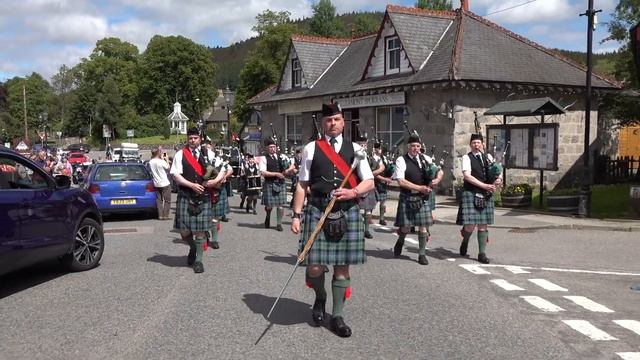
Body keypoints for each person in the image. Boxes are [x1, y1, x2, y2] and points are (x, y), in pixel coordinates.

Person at [291, 102, 374, 338]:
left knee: (342, 269)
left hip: (347, 209)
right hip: (317, 208)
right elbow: (301, 184)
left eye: (337, 119)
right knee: (315, 267)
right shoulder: (311, 148)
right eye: (328, 120)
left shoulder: (356, 149)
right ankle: (320, 297)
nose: (333, 123)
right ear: (322, 122)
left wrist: (354, 192)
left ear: (343, 121)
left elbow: (369, 181)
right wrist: (296, 215)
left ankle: (337, 316)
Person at [170, 128, 226, 273]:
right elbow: (176, 175)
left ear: (200, 139)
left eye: (195, 138)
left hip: (203, 197)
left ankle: (199, 261)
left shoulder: (208, 154)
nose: (193, 140)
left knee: (200, 231)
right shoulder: (180, 154)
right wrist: (191, 185)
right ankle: (193, 248)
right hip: (186, 195)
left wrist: (214, 183)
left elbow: (223, 169)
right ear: (187, 139)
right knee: (184, 231)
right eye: (190, 138)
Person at [392, 133, 443, 265]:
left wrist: (437, 179)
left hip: (422, 197)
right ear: (408, 147)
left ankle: (421, 254)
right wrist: (420, 187)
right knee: (406, 228)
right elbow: (401, 181)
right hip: (408, 196)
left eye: (418, 146)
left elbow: (440, 171)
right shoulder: (401, 160)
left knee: (423, 227)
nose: (416, 148)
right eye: (413, 146)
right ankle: (400, 241)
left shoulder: (425, 158)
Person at [458, 133, 502, 264]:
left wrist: (498, 179)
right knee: (470, 226)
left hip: (486, 194)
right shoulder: (467, 157)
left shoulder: (488, 157)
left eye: (478, 143)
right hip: (471, 192)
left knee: (483, 225)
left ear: (482, 144)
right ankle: (465, 240)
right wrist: (485, 185)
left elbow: (497, 171)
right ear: (470, 145)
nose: (476, 145)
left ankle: (482, 253)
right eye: (473, 143)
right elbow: (467, 176)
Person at [260, 137, 294, 231]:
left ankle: (279, 224)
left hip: (280, 183)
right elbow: (263, 172)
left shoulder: (281, 156)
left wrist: (288, 170)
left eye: (274, 147)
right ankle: (268, 215)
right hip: (270, 183)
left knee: (280, 206)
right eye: (270, 147)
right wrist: (275, 174)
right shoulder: (264, 158)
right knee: (269, 206)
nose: (272, 149)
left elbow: (292, 165)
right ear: (267, 148)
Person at [205, 140, 233, 249]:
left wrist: (223, 177)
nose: (206, 149)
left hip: (218, 190)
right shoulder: (200, 159)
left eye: (208, 148)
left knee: (215, 217)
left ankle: (215, 239)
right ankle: (205, 233)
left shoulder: (218, 159)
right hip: (204, 190)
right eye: (204, 148)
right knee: (205, 216)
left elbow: (229, 169)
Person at [355, 131, 383, 239]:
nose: (363, 146)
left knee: (367, 210)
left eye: (364, 144)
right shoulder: (354, 154)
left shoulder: (370, 156)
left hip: (368, 184)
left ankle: (366, 230)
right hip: (358, 185)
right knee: (357, 209)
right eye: (360, 143)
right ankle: (358, 229)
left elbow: (379, 167)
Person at [149, 146, 172, 220]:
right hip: (164, 183)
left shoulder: (150, 162)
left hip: (156, 183)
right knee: (167, 200)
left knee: (159, 200)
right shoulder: (161, 161)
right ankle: (166, 215)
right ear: (158, 153)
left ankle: (160, 215)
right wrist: (166, 159)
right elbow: (168, 168)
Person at [372, 143, 393, 225]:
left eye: (381, 148)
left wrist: (390, 170)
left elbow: (388, 170)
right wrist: (384, 179)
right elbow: (373, 173)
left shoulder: (384, 158)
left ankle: (382, 218)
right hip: (376, 182)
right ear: (376, 149)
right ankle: (369, 216)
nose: (380, 150)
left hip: (384, 183)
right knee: (373, 201)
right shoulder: (373, 158)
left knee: (383, 202)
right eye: (379, 148)